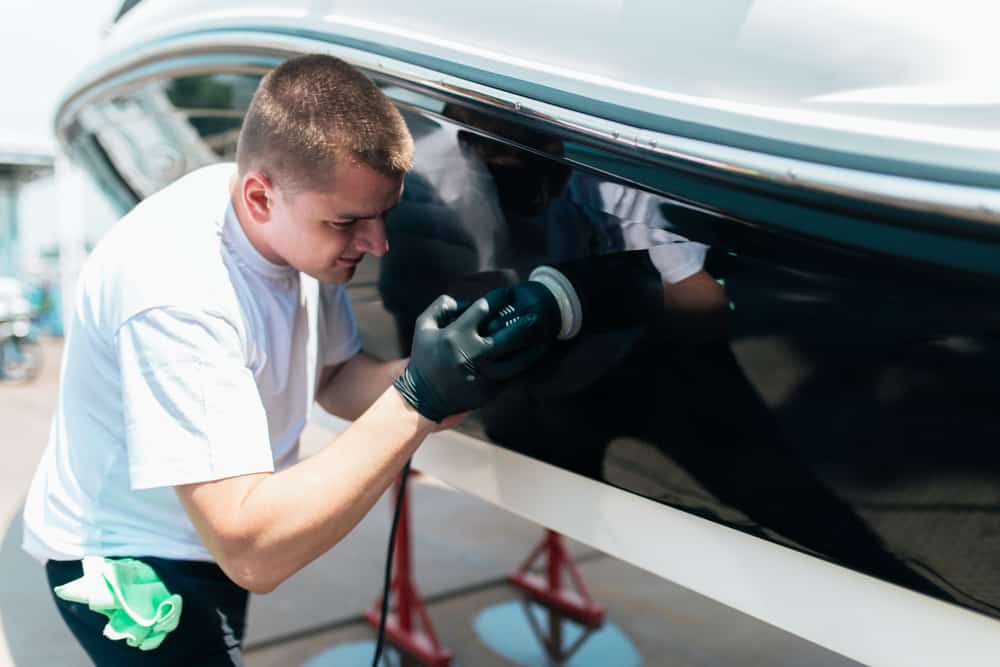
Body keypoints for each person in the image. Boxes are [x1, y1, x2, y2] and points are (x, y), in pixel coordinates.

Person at [21, 54, 548, 666]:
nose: (376, 244)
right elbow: (252, 553)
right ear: (258, 196)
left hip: (211, 533)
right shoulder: (175, 289)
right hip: (133, 560)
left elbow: (334, 379)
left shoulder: (293, 217)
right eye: (348, 221)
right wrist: (415, 401)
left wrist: (447, 373)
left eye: (384, 215)